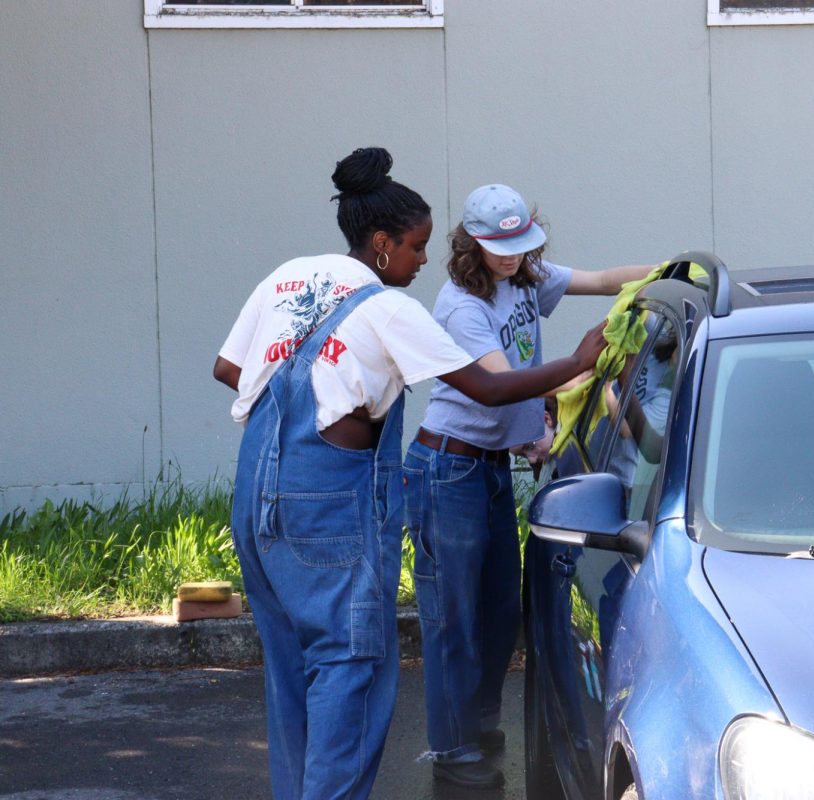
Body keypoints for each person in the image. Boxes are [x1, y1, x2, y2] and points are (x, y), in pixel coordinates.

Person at [212, 150, 604, 800]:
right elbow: (485, 386)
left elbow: (232, 370)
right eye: (417, 247)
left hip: (257, 492)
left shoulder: (287, 278)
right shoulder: (390, 310)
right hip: (326, 497)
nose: (423, 261)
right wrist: (576, 360)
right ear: (381, 242)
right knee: (348, 665)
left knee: (290, 674)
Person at [403, 183, 655, 788]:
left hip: (487, 466)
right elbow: (497, 385)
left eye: (521, 244)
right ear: (471, 243)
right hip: (447, 469)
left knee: (498, 611)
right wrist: (578, 363)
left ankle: (478, 725)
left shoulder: (522, 277)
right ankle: (452, 749)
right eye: (500, 247)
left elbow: (601, 280)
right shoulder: (462, 305)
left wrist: (673, 272)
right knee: (454, 615)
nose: (513, 256)